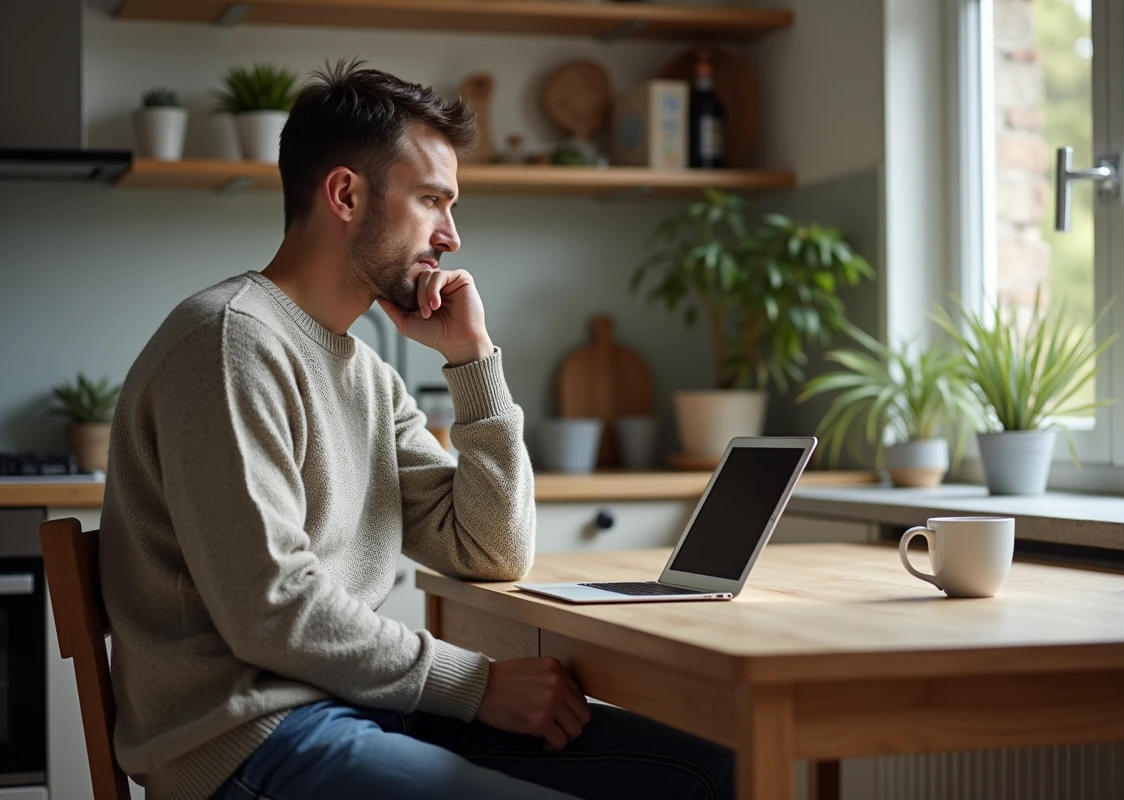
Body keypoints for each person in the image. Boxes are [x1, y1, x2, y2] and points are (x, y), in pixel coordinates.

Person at [98, 59, 734, 800]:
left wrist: (473, 360)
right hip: (249, 738)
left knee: (710, 769)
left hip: (360, 707)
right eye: (433, 200)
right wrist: (476, 684)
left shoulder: (368, 375)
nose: (452, 237)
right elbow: (270, 610)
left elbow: (491, 551)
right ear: (346, 195)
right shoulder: (229, 341)